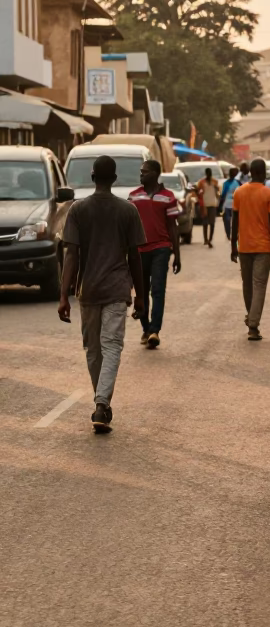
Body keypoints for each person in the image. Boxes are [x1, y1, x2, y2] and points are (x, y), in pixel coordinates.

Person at [57, 156, 146, 433]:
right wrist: (141, 295)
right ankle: (101, 404)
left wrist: (63, 296)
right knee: (111, 347)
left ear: (94, 177)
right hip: (118, 289)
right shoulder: (128, 210)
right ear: (114, 179)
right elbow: (135, 257)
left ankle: (101, 403)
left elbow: (71, 255)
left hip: (89, 290)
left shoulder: (78, 210)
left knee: (94, 350)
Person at [129, 159, 182, 349]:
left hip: (161, 248)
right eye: (141, 172)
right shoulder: (133, 197)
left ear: (155, 174)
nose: (141, 175)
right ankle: (145, 328)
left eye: (145, 172)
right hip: (139, 250)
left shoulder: (168, 197)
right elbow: (128, 227)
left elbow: (172, 227)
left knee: (158, 290)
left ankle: (154, 330)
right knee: (141, 291)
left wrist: (177, 254)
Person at [231, 157, 270, 341]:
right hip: (263, 246)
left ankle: (251, 317)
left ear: (251, 172)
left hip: (243, 245)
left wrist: (232, 246)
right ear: (263, 172)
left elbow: (234, 221)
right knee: (259, 285)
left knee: (247, 284)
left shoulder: (239, 192)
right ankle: (253, 325)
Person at [198, 167, 220, 248]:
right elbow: (199, 192)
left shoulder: (215, 182)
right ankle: (206, 239)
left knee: (212, 223)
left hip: (213, 204)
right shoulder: (201, 182)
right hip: (205, 204)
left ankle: (210, 239)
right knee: (205, 223)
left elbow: (217, 192)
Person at [219, 167, 241, 240]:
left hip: (232, 205)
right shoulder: (234, 183)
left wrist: (220, 205)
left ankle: (231, 235)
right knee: (230, 221)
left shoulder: (233, 183)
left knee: (228, 221)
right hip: (230, 205)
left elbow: (223, 195)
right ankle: (231, 235)